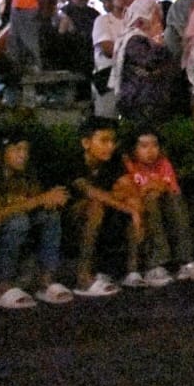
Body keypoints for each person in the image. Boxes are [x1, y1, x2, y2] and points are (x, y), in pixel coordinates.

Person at [0, 128, 74, 309]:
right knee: (18, 221)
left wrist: (51, 200)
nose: (23, 155)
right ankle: (2, 286)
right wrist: (39, 200)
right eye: (17, 149)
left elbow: (34, 199)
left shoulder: (26, 173)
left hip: (15, 224)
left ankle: (46, 281)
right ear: (1, 152)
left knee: (50, 216)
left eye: (26, 150)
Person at [116, 127, 194, 284]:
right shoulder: (127, 165)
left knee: (174, 201)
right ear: (133, 148)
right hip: (134, 210)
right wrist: (152, 188)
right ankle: (155, 265)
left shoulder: (163, 163)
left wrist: (155, 188)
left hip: (161, 207)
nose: (150, 151)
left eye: (154, 145)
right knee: (150, 201)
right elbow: (128, 193)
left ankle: (186, 261)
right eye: (144, 146)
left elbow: (171, 189)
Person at [69, 116, 141, 296]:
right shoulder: (74, 161)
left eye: (112, 141)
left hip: (107, 215)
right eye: (104, 141)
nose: (110, 146)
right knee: (95, 207)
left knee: (133, 201)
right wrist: (128, 208)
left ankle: (132, 270)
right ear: (86, 142)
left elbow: (127, 188)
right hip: (71, 220)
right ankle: (83, 276)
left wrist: (132, 204)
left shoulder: (113, 161)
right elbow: (90, 191)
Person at [111, 0, 188, 127]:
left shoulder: (140, 39)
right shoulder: (134, 39)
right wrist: (160, 44)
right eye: (155, 15)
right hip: (140, 101)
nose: (159, 20)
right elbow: (151, 61)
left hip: (147, 101)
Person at [92, 0, 135, 117]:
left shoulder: (133, 23)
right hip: (107, 76)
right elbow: (107, 49)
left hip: (129, 79)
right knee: (106, 118)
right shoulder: (103, 20)